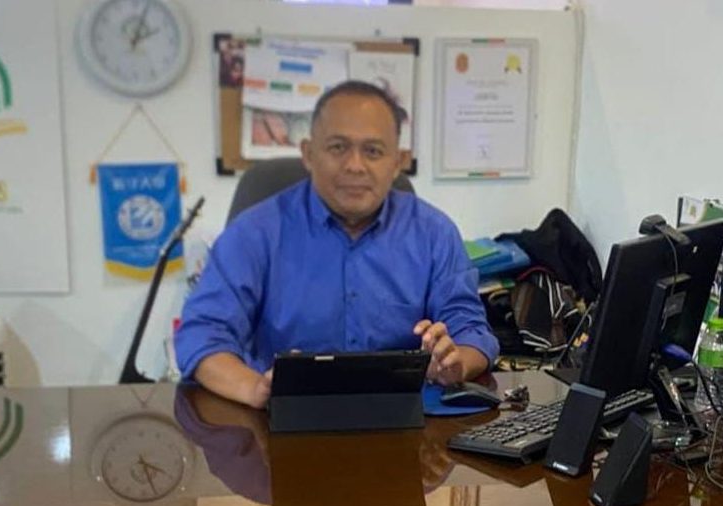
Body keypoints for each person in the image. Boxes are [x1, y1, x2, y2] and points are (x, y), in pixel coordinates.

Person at [176, 80, 499, 408]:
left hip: (404, 418)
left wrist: (455, 364)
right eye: (338, 147)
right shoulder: (254, 233)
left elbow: (471, 330)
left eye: (373, 151)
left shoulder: (434, 233)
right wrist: (254, 389)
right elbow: (201, 335)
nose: (354, 165)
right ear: (308, 154)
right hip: (280, 417)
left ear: (398, 161)